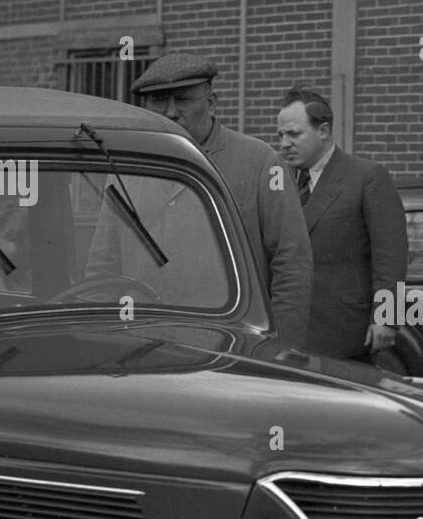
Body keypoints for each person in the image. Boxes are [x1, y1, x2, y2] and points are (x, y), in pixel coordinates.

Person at [130, 52, 311, 345]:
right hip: (142, 347)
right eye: (158, 100)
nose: (170, 112)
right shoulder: (127, 166)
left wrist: (280, 349)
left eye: (184, 99)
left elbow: (291, 263)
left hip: (231, 348)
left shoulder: (261, 162)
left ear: (212, 103)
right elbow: (103, 265)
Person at [274, 84, 407, 361]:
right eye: (281, 135)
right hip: (286, 332)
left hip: (343, 333)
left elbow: (391, 257)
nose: (284, 143)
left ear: (323, 131)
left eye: (294, 134)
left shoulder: (366, 177)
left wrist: (387, 318)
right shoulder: (278, 179)